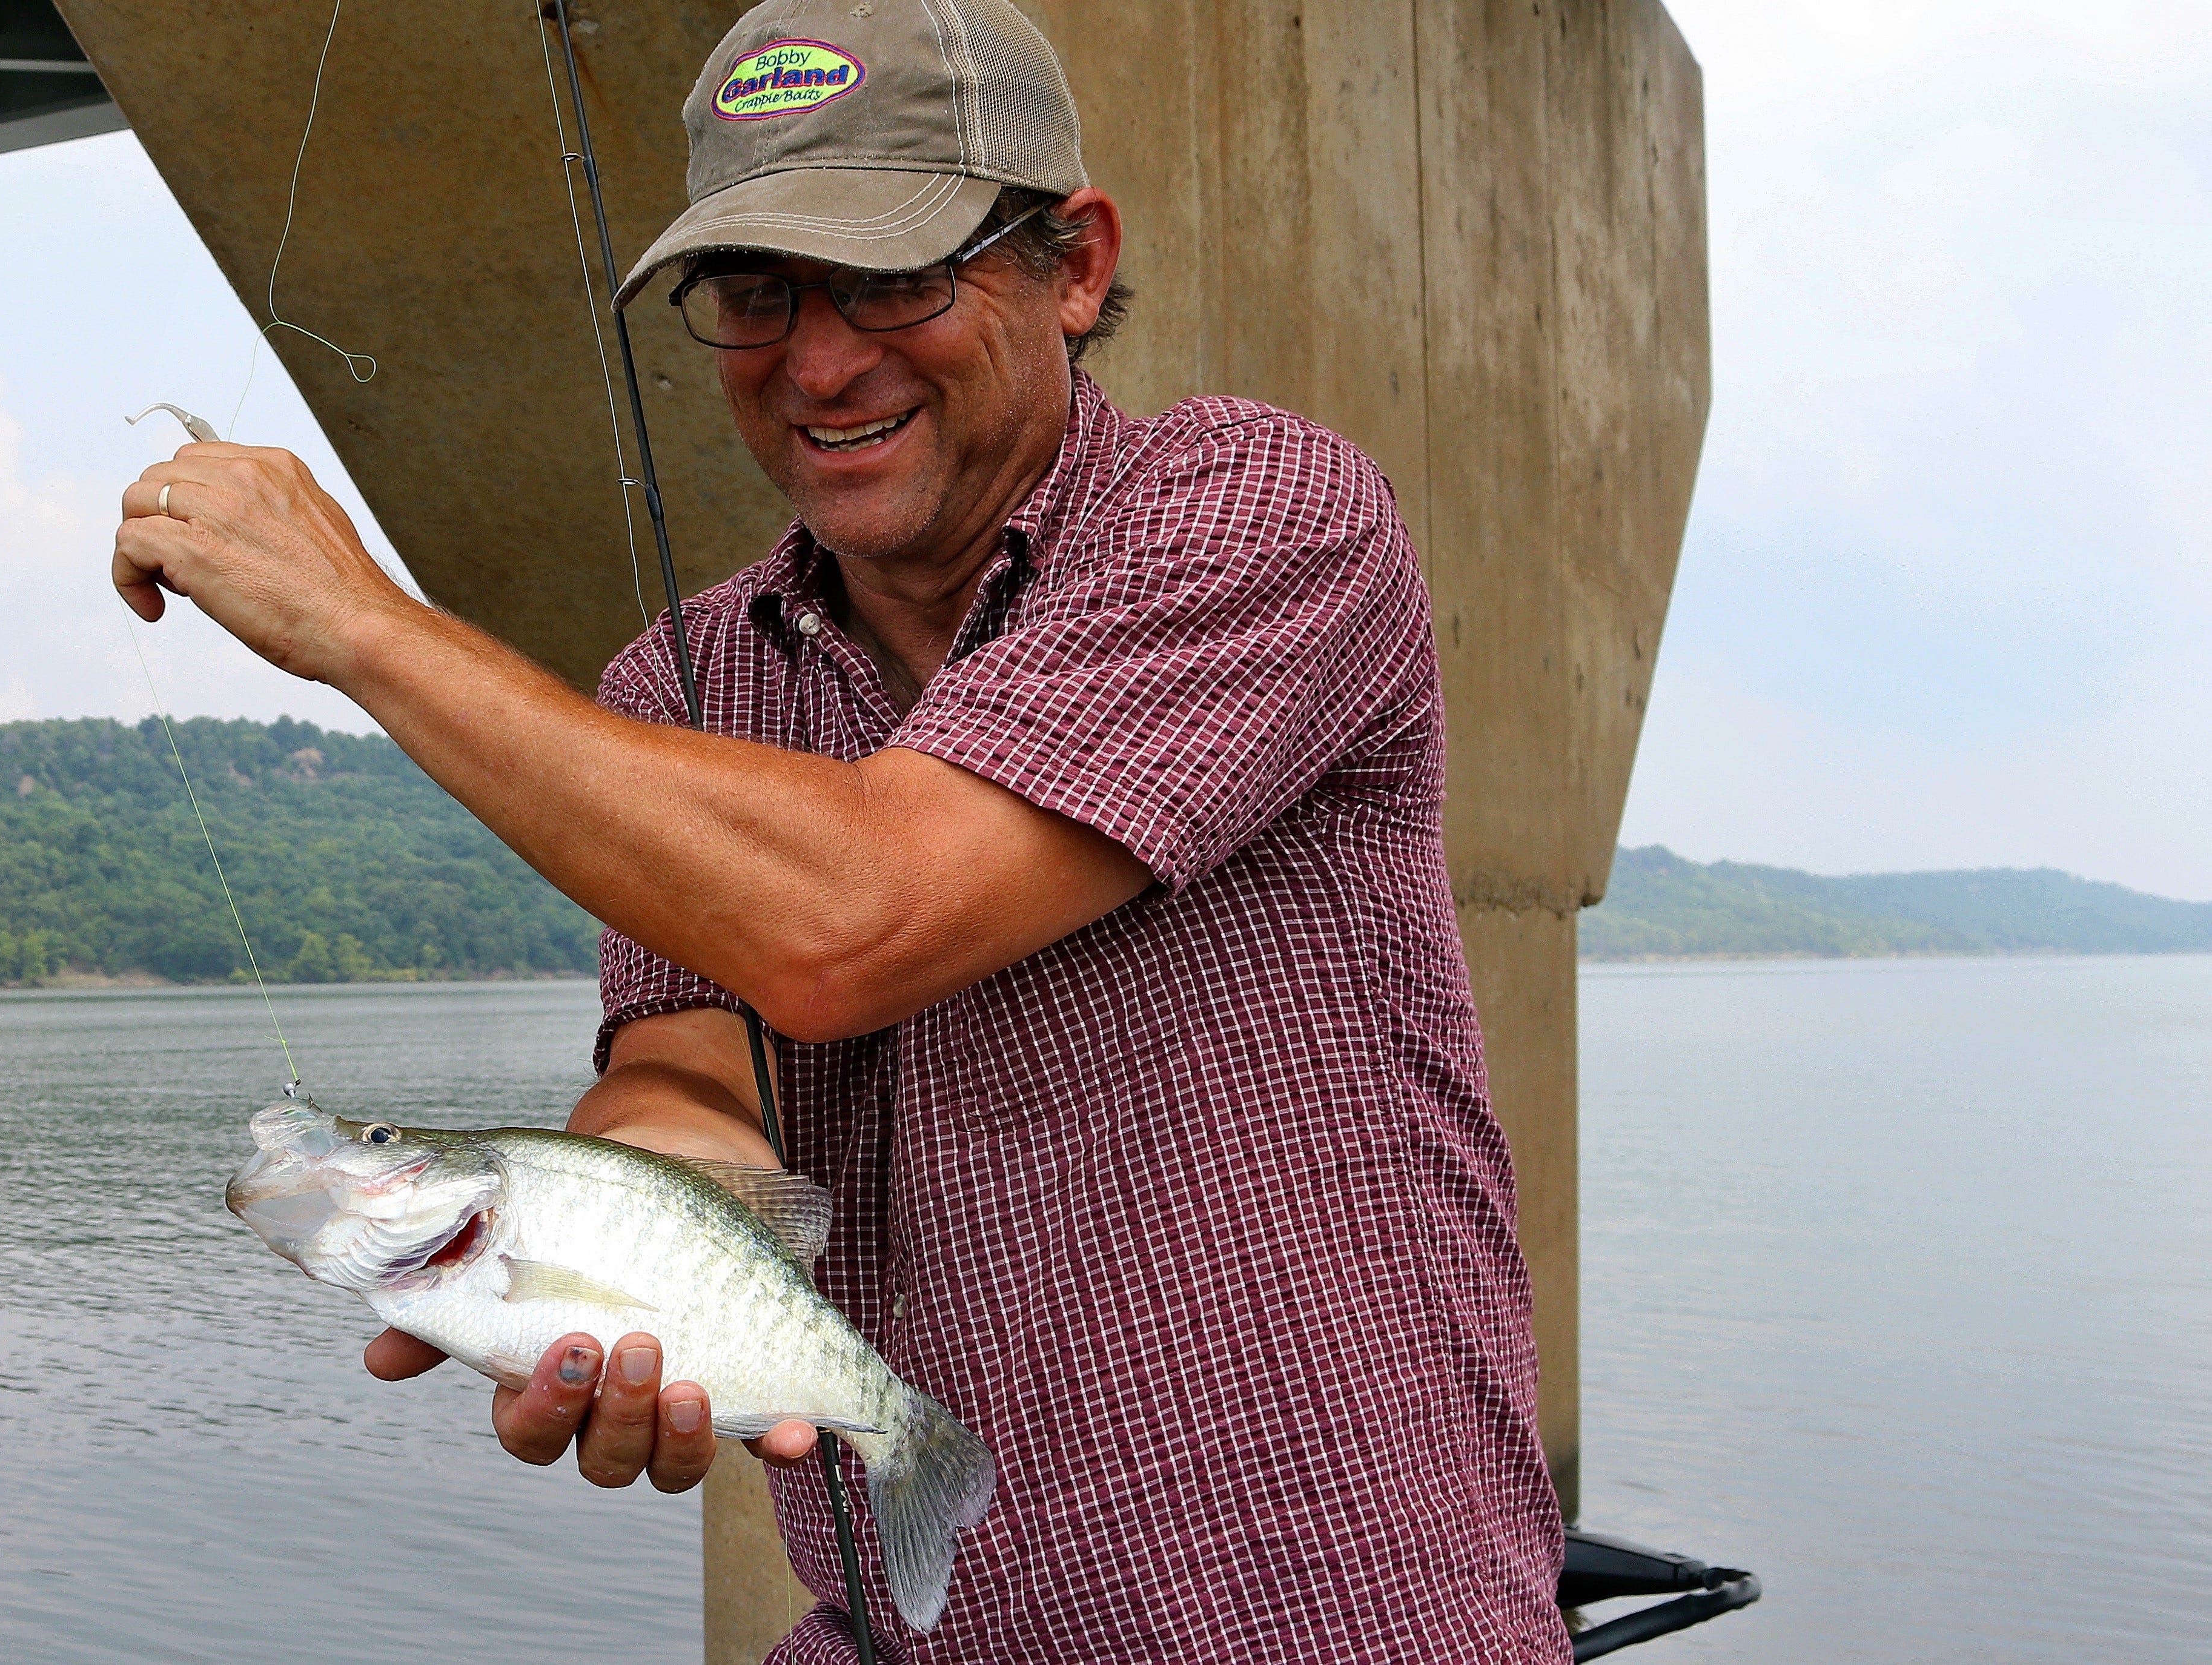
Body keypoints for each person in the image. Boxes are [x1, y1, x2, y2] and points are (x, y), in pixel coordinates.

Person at [108, 1, 1569, 1658]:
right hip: (905, 1632)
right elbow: (685, 1070)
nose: (819, 360)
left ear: (1075, 267)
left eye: (895, 280)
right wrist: (630, 1251)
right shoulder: (678, 680)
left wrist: (359, 621)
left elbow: (856, 914)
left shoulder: (1257, 520)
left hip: (1333, 1624)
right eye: (756, 296)